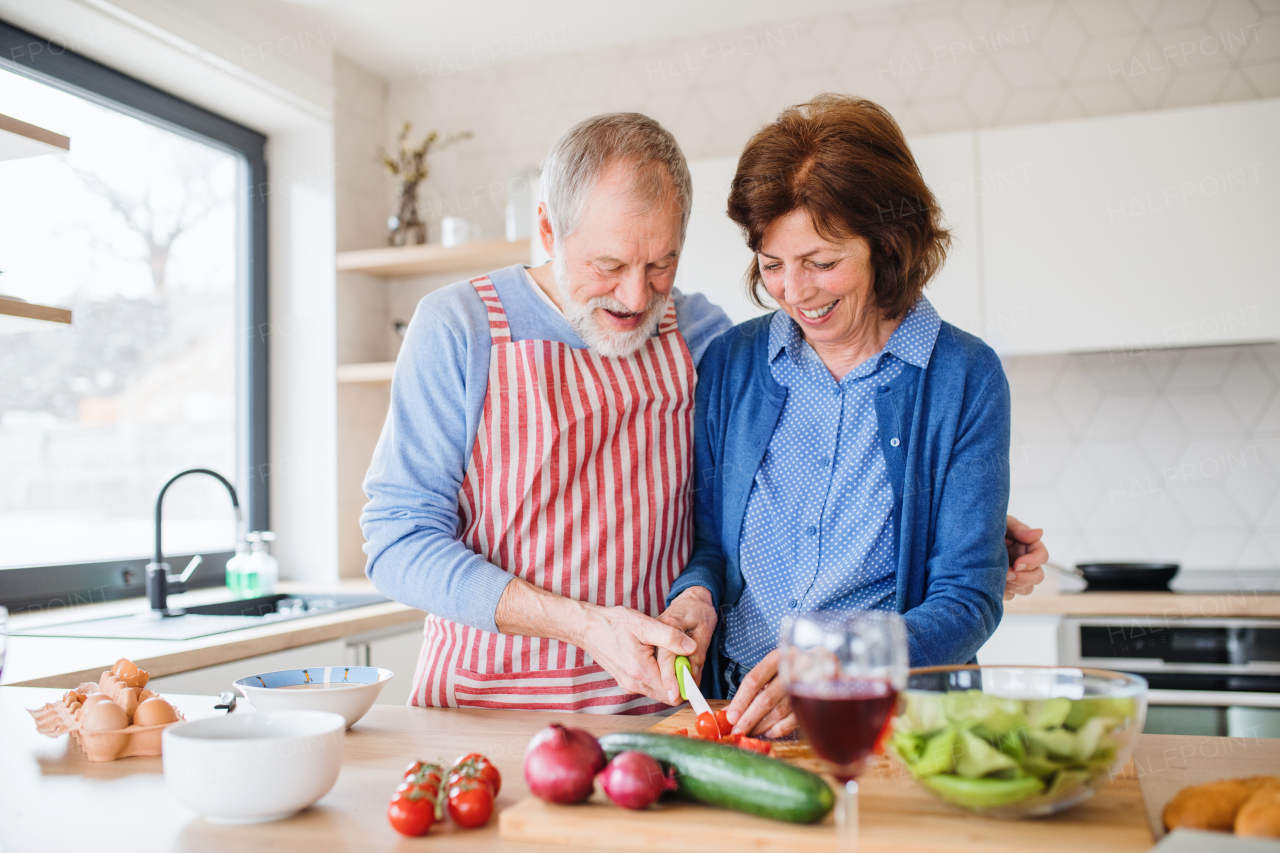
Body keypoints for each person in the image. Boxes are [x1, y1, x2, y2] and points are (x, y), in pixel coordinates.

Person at [362, 109, 1048, 716]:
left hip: (661, 711)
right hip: (487, 703)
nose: (636, 297)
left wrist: (972, 533)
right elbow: (395, 540)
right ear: (546, 227)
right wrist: (589, 623)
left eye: (662, 264)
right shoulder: (459, 328)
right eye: (607, 264)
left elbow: (791, 488)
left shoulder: (700, 336)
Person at [659, 95, 1036, 738]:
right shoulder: (732, 364)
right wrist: (694, 595)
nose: (795, 292)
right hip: (739, 718)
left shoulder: (963, 377)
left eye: (822, 263)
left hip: (895, 727)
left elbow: (967, 599)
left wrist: (837, 664)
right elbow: (715, 548)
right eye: (772, 265)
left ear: (887, 245)